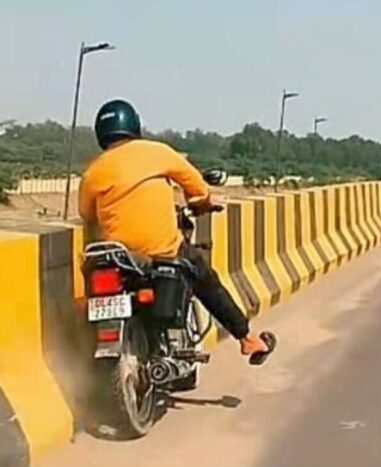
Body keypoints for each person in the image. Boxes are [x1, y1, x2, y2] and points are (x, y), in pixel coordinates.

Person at [78, 99, 275, 366]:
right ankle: (247, 338)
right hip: (161, 250)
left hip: (119, 255)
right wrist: (203, 202)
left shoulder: (93, 172)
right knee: (205, 279)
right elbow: (196, 186)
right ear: (134, 125)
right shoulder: (157, 152)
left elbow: (87, 215)